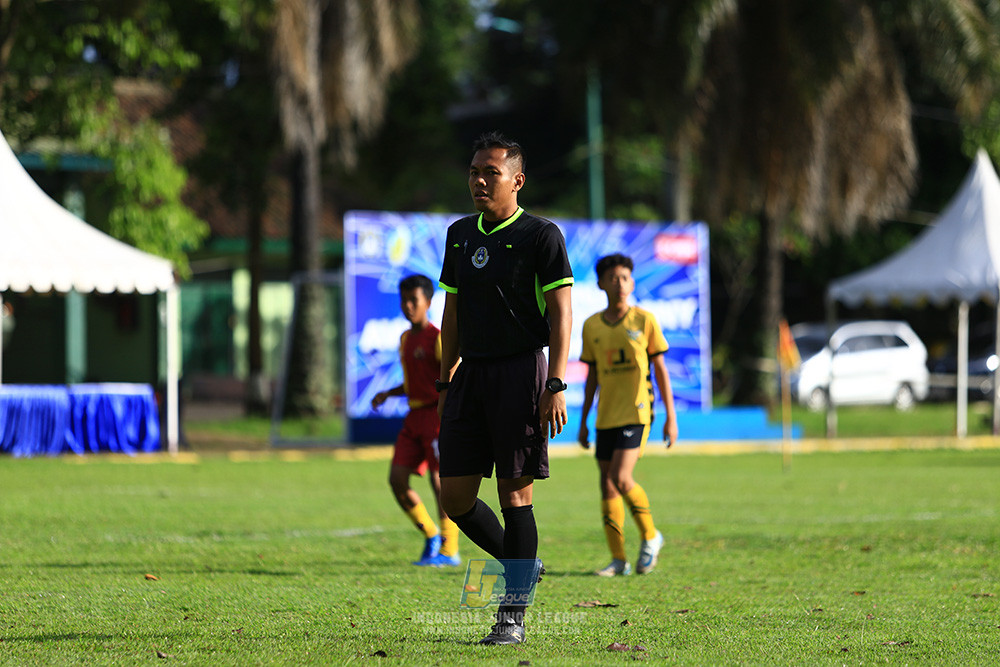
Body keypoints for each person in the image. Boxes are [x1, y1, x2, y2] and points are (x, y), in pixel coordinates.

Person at [436, 131, 573, 646]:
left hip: (522, 373)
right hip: (469, 376)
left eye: (490, 173)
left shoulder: (542, 235)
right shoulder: (458, 234)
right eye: (474, 171)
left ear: (516, 180)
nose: (478, 181)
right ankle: (524, 565)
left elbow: (562, 315)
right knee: (454, 498)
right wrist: (445, 377)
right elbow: (450, 313)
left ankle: (511, 615)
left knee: (514, 494)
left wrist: (555, 383)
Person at [577, 253, 678, 577]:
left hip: (637, 411)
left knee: (621, 478)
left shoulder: (644, 320)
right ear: (601, 283)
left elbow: (660, 370)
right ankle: (618, 560)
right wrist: (583, 422)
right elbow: (592, 375)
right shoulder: (591, 325)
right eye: (613, 278)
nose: (620, 284)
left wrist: (670, 416)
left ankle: (651, 536)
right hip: (606, 415)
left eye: (625, 278)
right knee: (607, 487)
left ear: (632, 283)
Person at [371, 274, 460, 567]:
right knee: (397, 479)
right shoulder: (406, 339)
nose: (408, 306)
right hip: (413, 417)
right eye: (404, 300)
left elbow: (452, 377)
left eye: (414, 300)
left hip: (436, 416)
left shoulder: (438, 338)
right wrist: (389, 393)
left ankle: (450, 549)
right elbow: (415, 382)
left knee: (439, 482)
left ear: (429, 302)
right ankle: (432, 534)